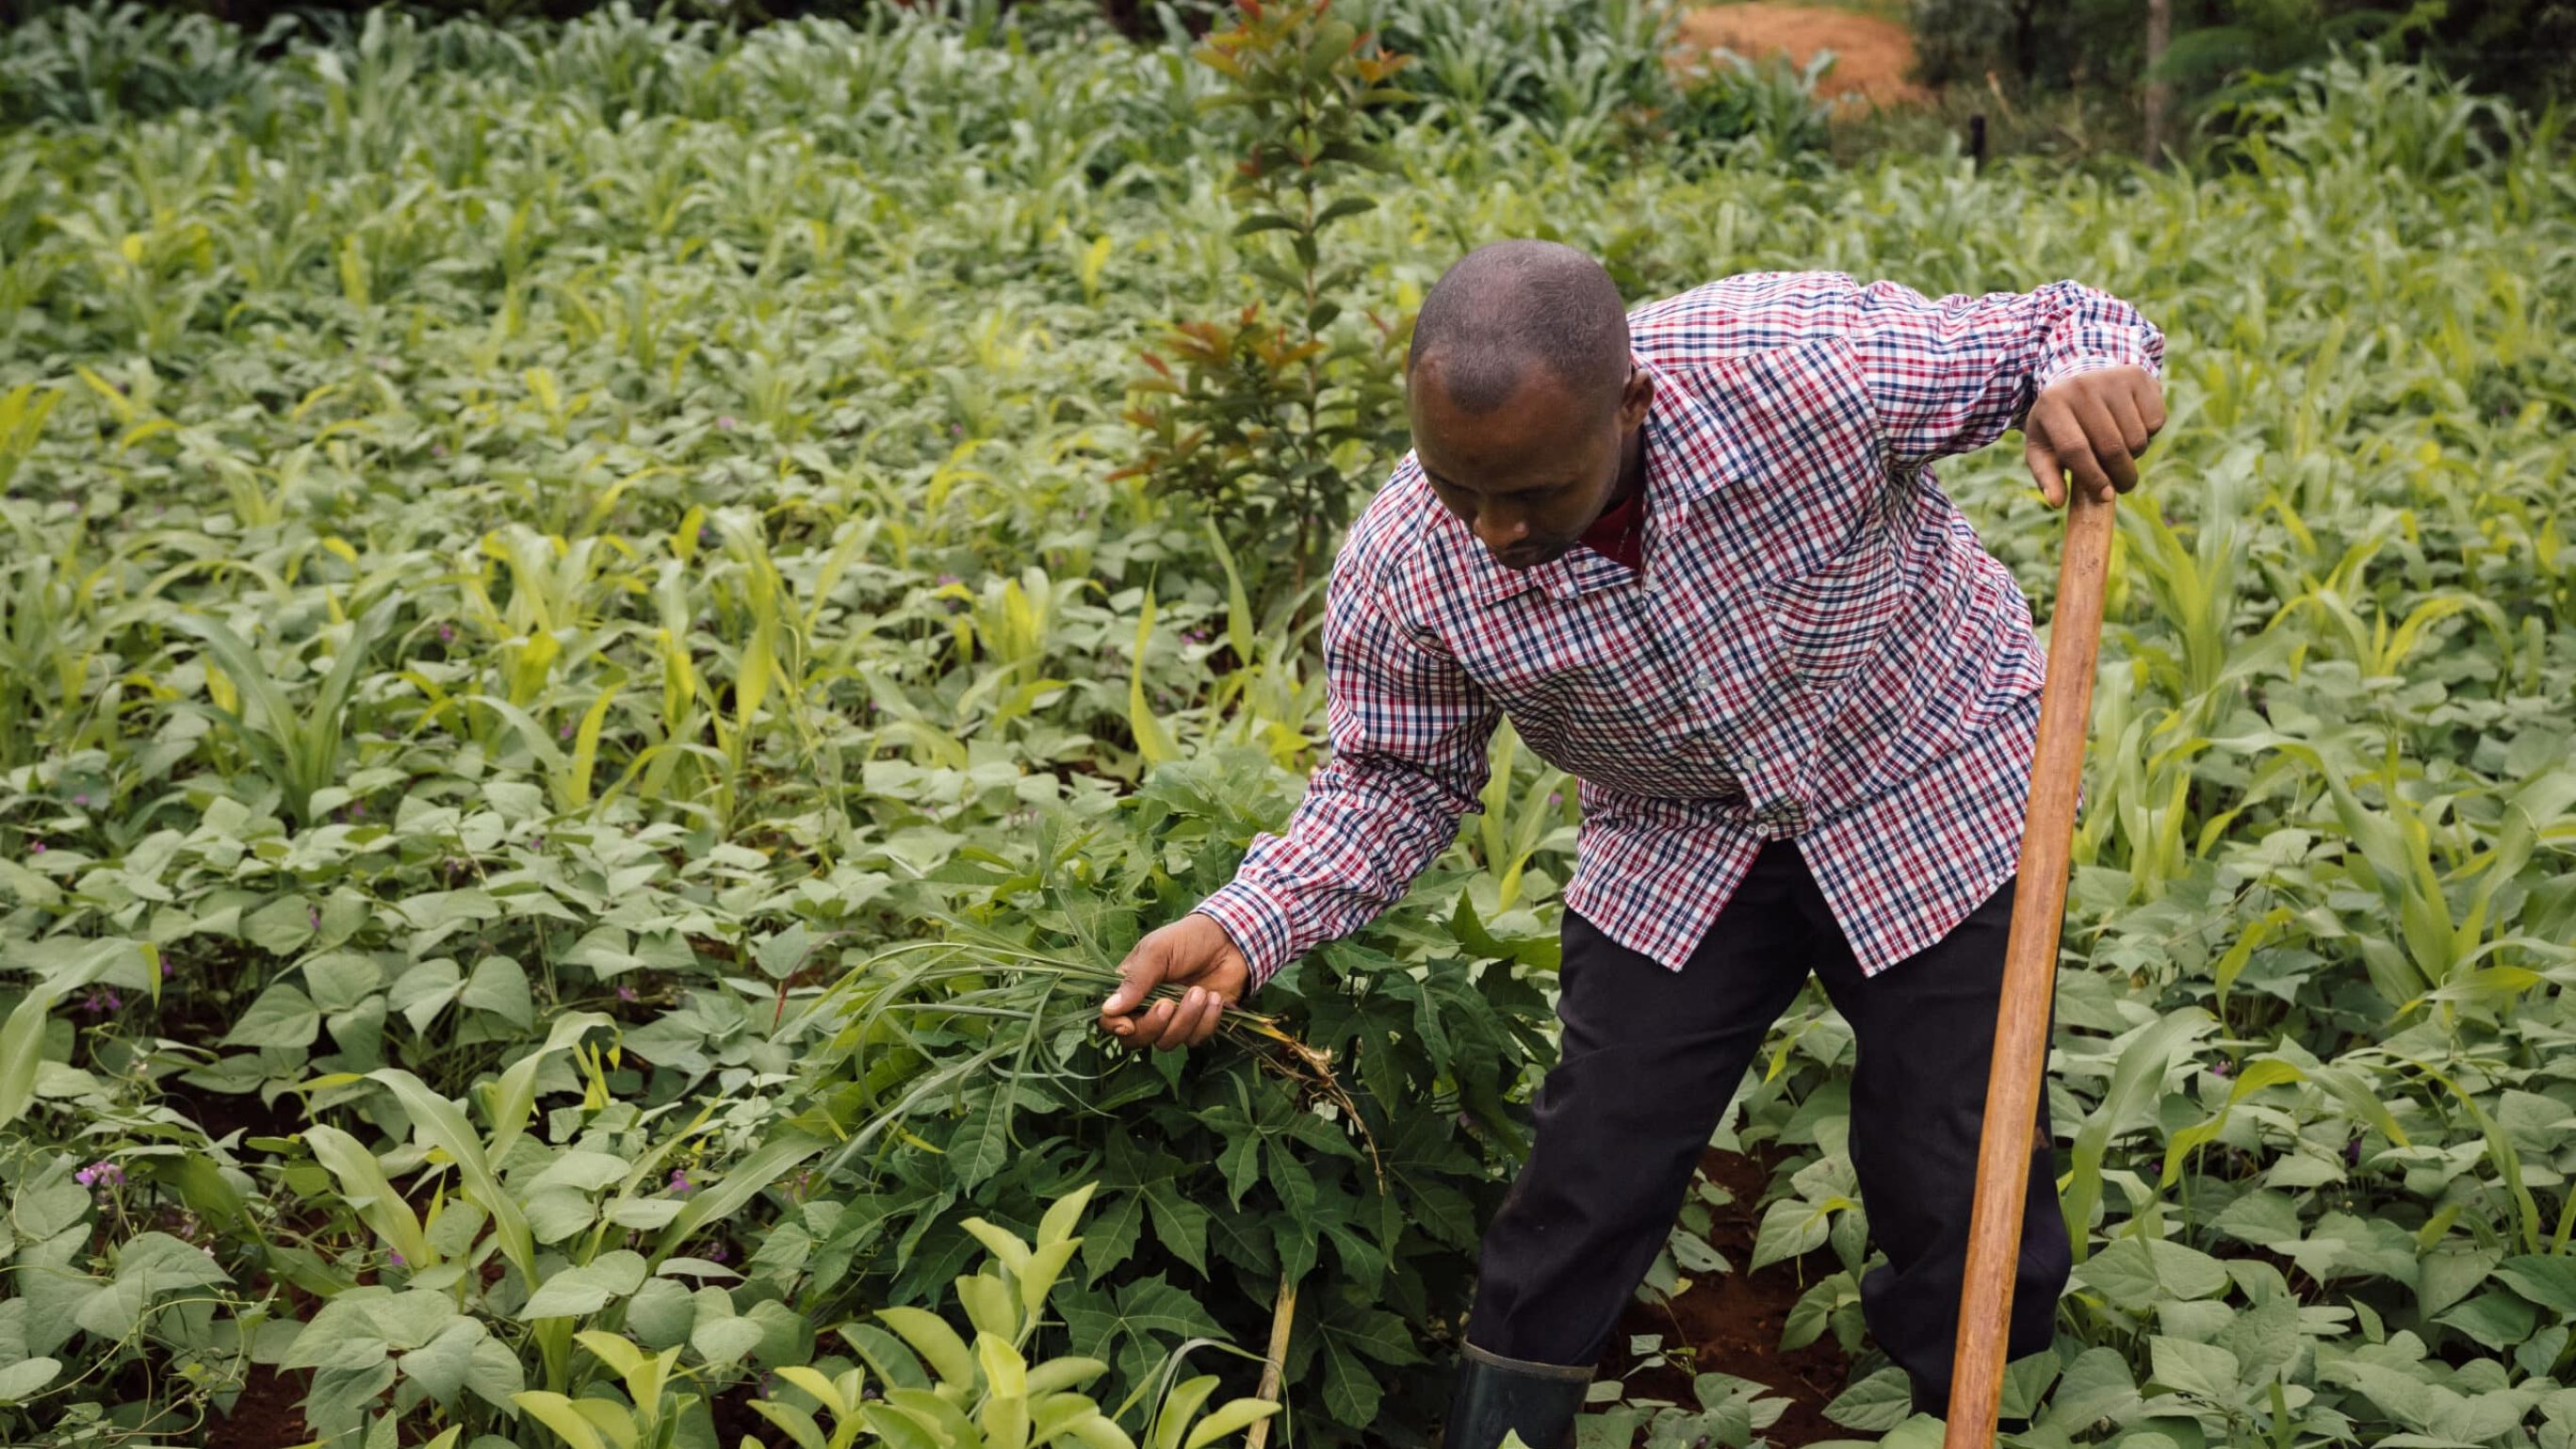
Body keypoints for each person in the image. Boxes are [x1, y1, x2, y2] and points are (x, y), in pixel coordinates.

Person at [1096, 240, 2167, 1449]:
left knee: (1956, 1169)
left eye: (1536, 493)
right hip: (1678, 831)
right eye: (1459, 486)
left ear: (1632, 404)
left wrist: (2088, 375)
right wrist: (1246, 921)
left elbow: (2061, 323)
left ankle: (1970, 1407)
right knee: (1591, 1162)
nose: (1493, 529)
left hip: (1921, 773)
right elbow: (1394, 780)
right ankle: (1502, 1429)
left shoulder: (1798, 372)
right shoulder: (1408, 560)